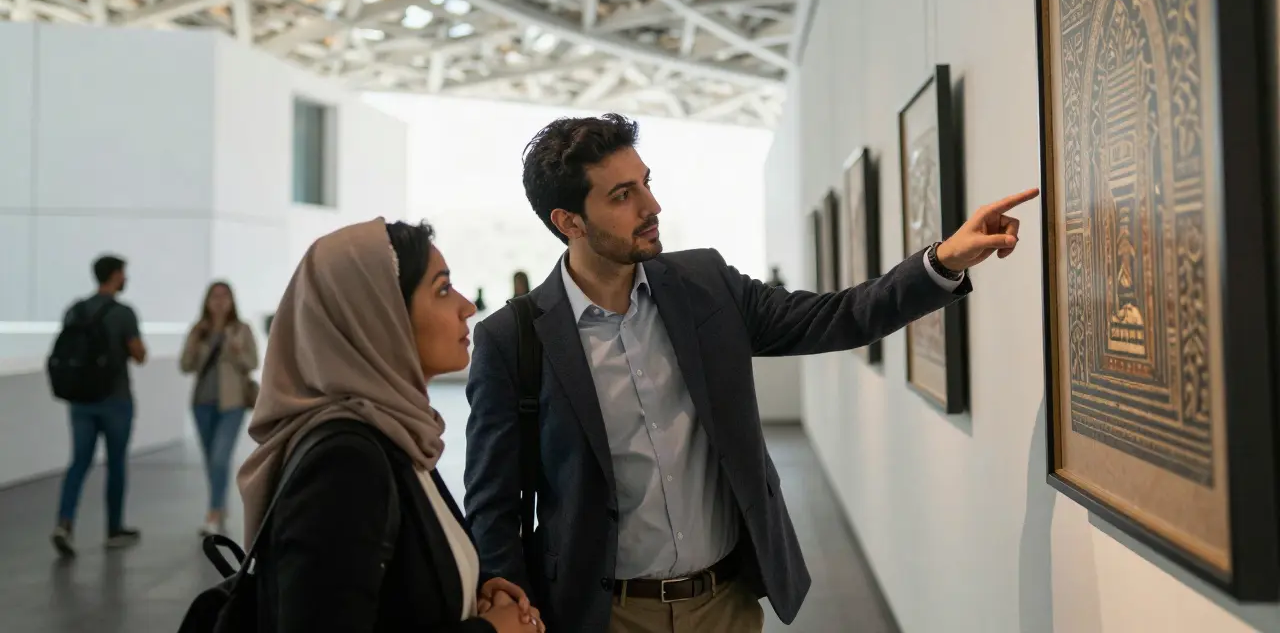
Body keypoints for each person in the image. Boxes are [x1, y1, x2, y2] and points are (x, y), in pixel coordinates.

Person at [463, 113, 1039, 632]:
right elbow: (493, 502)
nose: (651, 206)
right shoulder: (512, 339)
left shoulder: (704, 286)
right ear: (570, 221)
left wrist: (940, 262)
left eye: (647, 182)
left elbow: (836, 318)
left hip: (725, 605)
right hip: (601, 615)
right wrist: (508, 603)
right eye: (623, 195)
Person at [235, 219, 543, 633]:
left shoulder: (396, 432)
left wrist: (470, 588)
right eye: (442, 289)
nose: (467, 306)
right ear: (378, 316)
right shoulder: (344, 462)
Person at [52, 255, 147, 557]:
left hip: (81, 400)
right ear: (116, 276)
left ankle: (64, 523)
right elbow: (139, 354)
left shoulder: (75, 310)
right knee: (116, 463)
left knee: (79, 462)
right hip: (115, 399)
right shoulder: (123, 313)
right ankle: (114, 529)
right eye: (124, 273)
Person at [180, 281, 259, 537]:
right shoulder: (198, 330)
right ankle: (221, 505)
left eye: (225, 296)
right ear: (207, 300)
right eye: (215, 296)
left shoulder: (241, 329)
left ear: (232, 300)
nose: (220, 301)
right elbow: (186, 365)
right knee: (211, 461)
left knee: (220, 457)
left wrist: (236, 350)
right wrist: (196, 343)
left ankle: (213, 512)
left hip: (232, 404)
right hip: (202, 403)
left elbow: (252, 362)